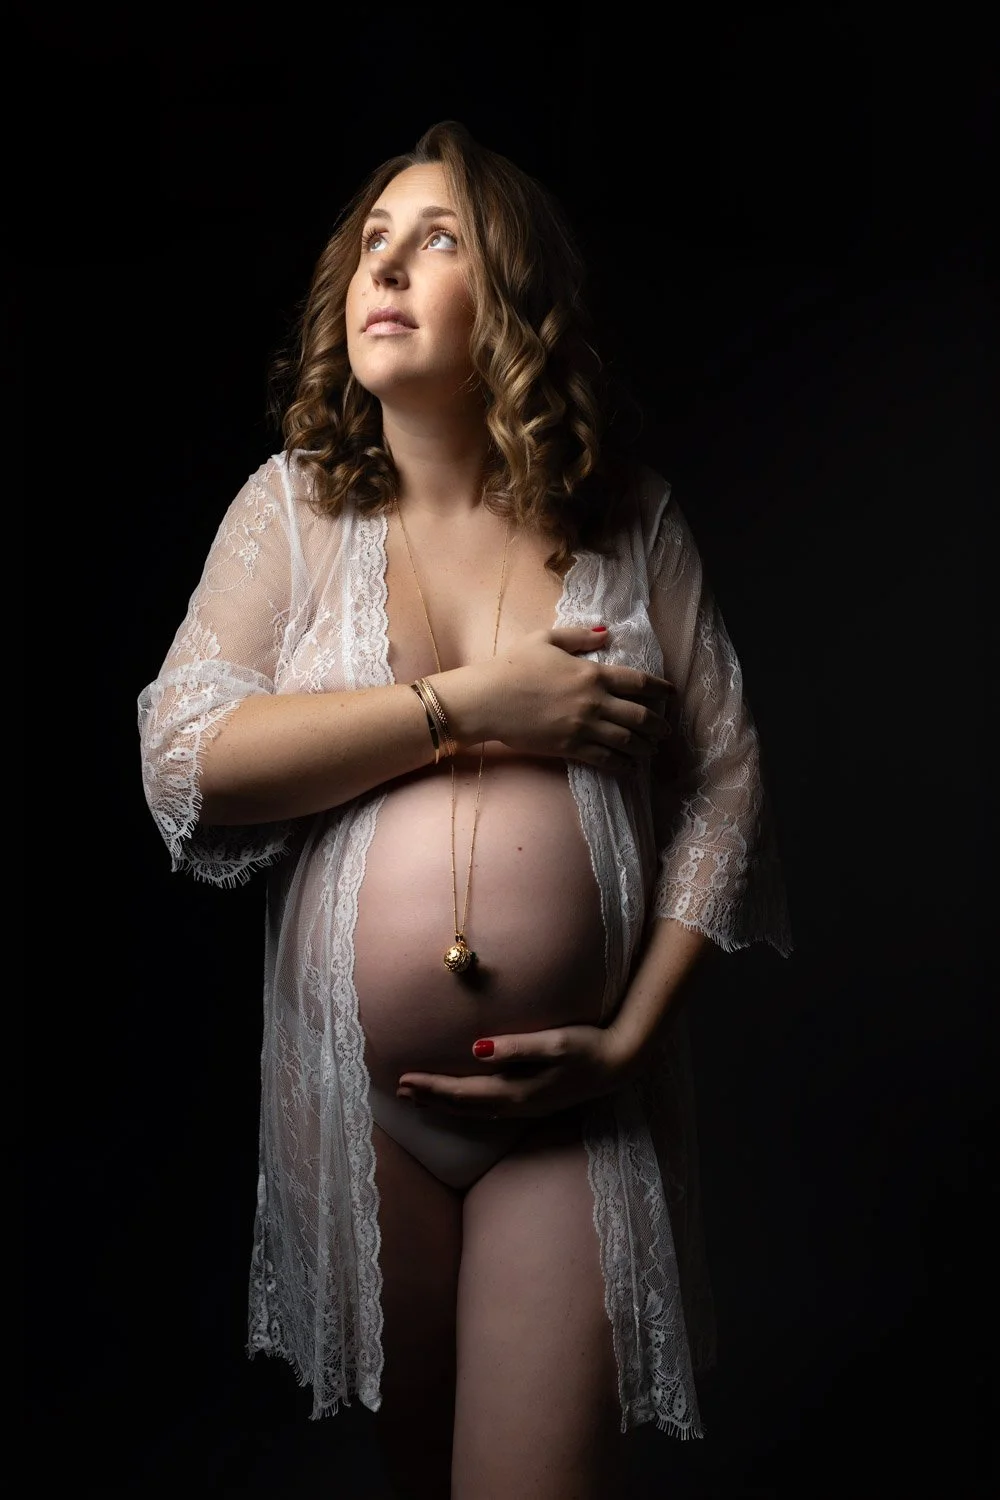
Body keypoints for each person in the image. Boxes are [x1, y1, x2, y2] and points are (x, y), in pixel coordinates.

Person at [138, 119, 792, 1500]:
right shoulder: (295, 516)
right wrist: (474, 709)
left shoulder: (627, 525)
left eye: (437, 239)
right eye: (372, 240)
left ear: (515, 301)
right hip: (359, 1114)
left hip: (564, 1117)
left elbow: (728, 782)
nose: (387, 264)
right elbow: (185, 760)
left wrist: (626, 1036)